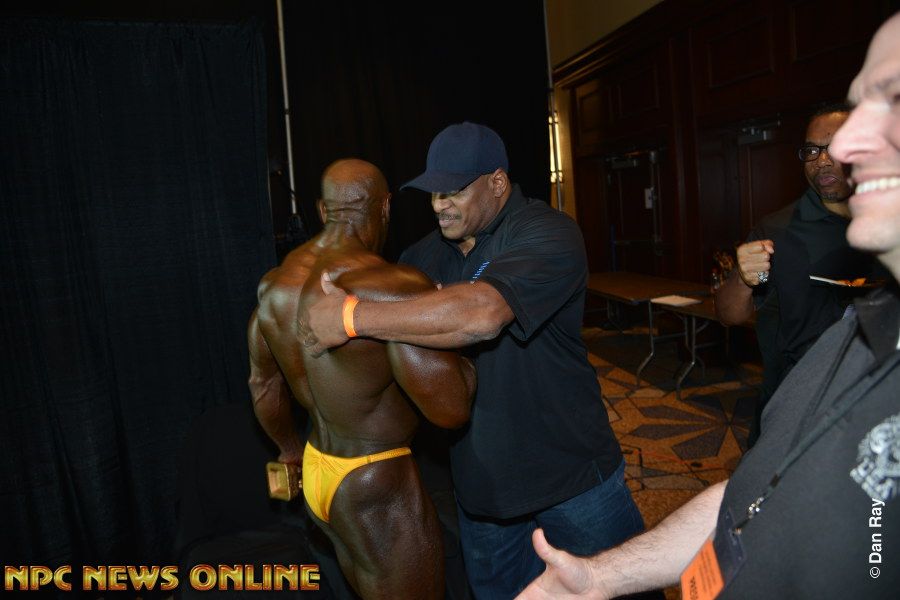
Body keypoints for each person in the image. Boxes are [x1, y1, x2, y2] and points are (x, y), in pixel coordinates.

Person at [517, 14, 900, 599]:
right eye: (813, 149)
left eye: (889, 101)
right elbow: (751, 490)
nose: (836, 154)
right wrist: (599, 576)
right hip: (783, 405)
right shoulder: (815, 277)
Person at [301, 122, 644, 598]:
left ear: (497, 183)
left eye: (454, 191)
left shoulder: (548, 231)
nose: (439, 205)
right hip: (483, 492)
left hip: (572, 478)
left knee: (623, 591)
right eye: (433, 192)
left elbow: (482, 315)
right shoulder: (419, 257)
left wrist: (350, 317)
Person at [248, 158, 476, 599]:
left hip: (318, 470)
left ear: (322, 209)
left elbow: (264, 385)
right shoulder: (392, 286)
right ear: (385, 207)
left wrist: (289, 449)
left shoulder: (275, 285)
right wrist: (455, 337)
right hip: (375, 481)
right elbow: (450, 410)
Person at [714, 103, 886, 445]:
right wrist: (743, 279)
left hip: (875, 401)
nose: (821, 160)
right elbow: (729, 314)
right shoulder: (778, 232)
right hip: (797, 409)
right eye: (811, 150)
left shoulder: (888, 221)